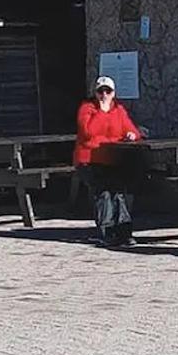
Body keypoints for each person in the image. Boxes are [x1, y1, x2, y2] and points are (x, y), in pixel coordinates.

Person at [74, 76, 142, 247]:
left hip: (112, 159)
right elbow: (89, 132)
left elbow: (132, 130)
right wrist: (102, 112)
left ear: (114, 93)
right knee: (104, 192)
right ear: (95, 93)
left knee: (119, 192)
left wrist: (131, 135)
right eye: (100, 91)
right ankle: (107, 232)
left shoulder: (119, 110)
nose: (104, 94)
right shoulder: (87, 109)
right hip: (90, 159)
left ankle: (124, 232)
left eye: (108, 91)